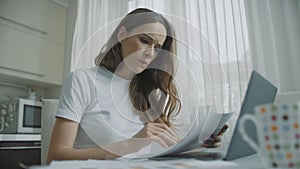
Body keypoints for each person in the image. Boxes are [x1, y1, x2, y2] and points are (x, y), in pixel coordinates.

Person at [47, 8, 227, 164]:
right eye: (145, 40)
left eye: (157, 47)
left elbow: (155, 148)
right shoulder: (83, 80)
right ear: (122, 34)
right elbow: (55, 156)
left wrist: (198, 143)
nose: (150, 53)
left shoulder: (146, 92)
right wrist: (129, 145)